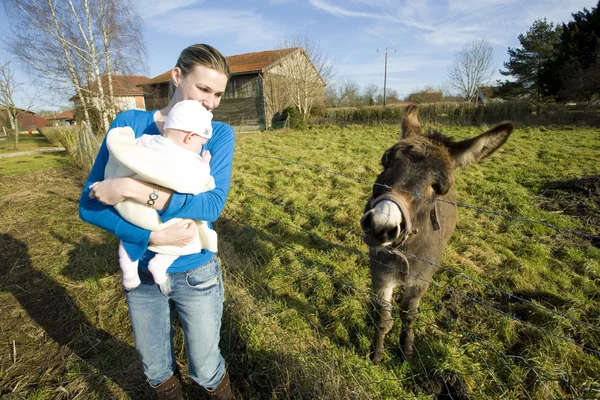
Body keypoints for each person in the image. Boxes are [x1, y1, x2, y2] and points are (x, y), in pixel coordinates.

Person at [79, 44, 234, 400]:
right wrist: (151, 232)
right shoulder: (129, 125)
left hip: (197, 273)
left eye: (219, 94)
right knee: (156, 371)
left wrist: (131, 188)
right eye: (204, 89)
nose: (211, 102)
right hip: (142, 273)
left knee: (207, 369)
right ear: (177, 76)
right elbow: (89, 206)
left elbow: (210, 205)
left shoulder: (218, 133)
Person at [96, 100, 219, 290]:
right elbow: (197, 183)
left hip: (133, 209)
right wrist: (205, 164)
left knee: (129, 236)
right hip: (161, 217)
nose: (200, 148)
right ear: (190, 137)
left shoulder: (146, 140)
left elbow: (127, 154)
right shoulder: (188, 158)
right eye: (200, 144)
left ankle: (129, 274)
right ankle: (160, 263)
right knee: (190, 232)